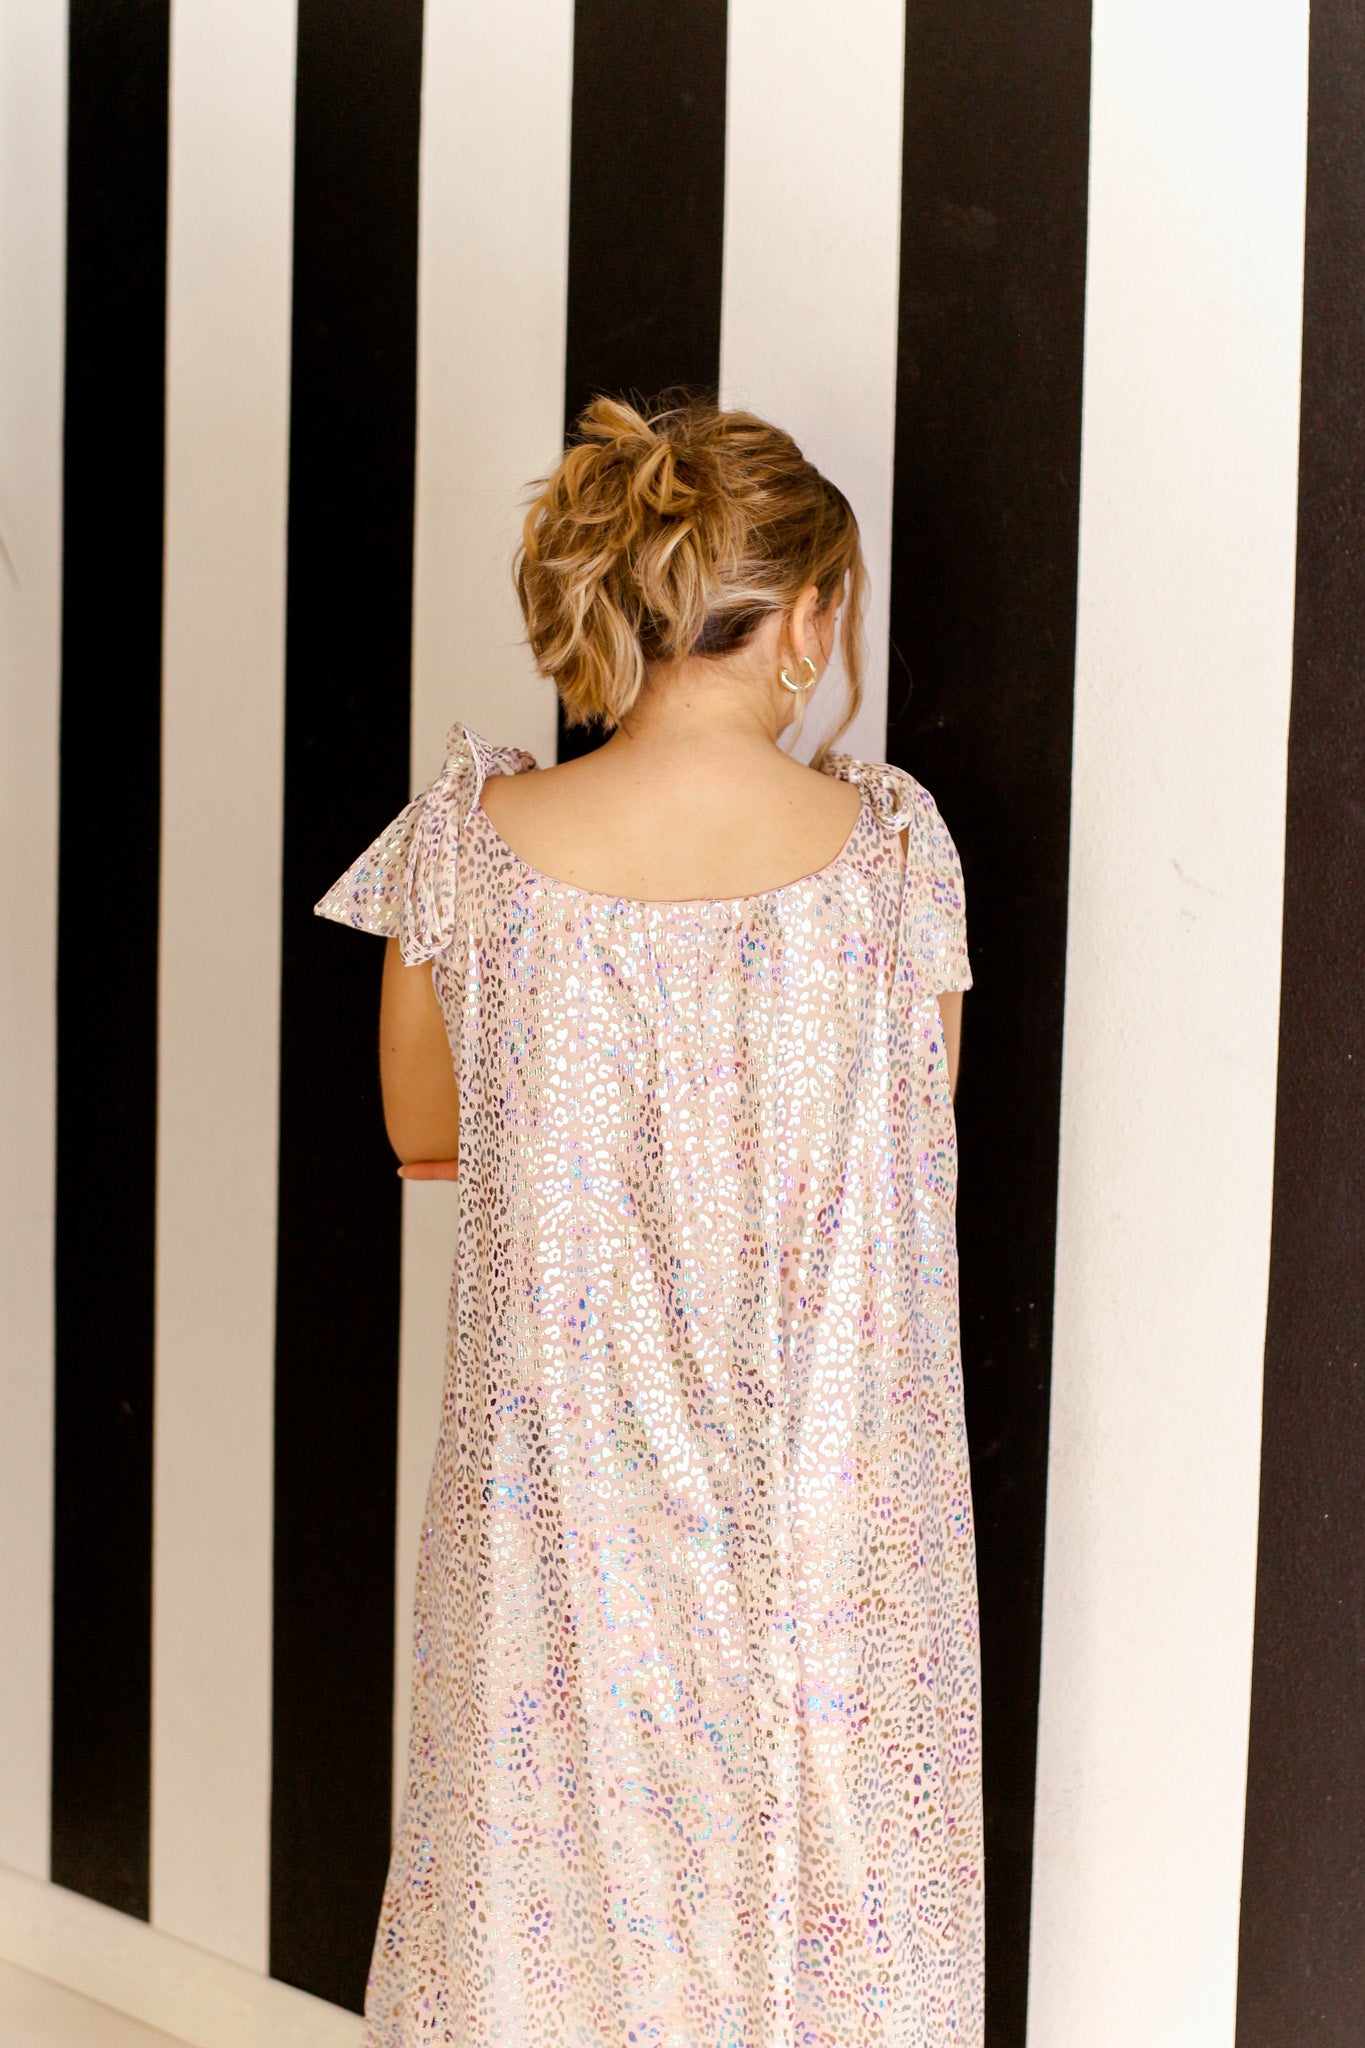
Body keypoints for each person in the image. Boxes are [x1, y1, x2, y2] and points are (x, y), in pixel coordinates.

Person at [317, 396, 982, 2048]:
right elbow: (920, 1134)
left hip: (558, 1511)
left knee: (539, 1885)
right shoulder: (893, 864)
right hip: (827, 1514)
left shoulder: (467, 854)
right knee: (822, 1896)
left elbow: (424, 1139)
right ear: (810, 616)